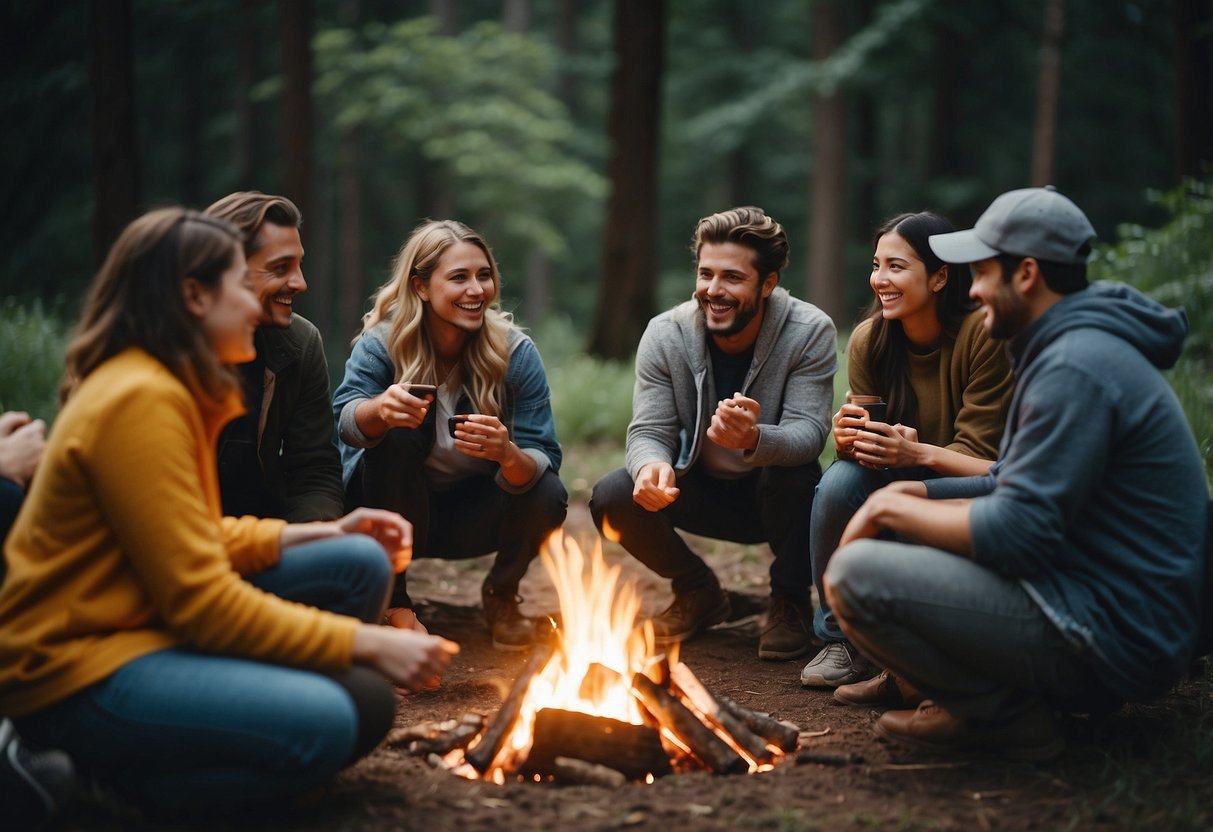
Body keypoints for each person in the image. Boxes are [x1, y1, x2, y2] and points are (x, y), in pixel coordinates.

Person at [0, 208, 459, 813]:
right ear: (194, 296)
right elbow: (202, 600)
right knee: (328, 720)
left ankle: (209, 731)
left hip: (144, 623)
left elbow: (193, 535)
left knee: (365, 689)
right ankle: (83, 792)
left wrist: (321, 533)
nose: (256, 305)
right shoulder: (138, 400)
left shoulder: (174, 385)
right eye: (240, 287)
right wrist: (365, 642)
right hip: (77, 667)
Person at [824, 186, 1208, 761]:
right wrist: (916, 487)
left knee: (857, 574)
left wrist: (885, 507)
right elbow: (1013, 477)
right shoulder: (1070, 346)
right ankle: (972, 700)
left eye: (981, 273)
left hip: (1114, 632)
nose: (972, 289)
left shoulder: (1074, 365)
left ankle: (1003, 718)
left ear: (1026, 274)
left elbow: (1017, 533)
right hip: (1105, 599)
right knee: (912, 516)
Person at [590, 206, 836, 661]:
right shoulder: (665, 334)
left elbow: (810, 433)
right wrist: (651, 465)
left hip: (776, 499)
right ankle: (698, 590)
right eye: (706, 274)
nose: (714, 291)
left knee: (798, 473)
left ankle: (789, 601)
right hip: (697, 490)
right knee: (613, 493)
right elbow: (649, 429)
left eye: (732, 278)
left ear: (768, 283)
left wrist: (755, 439)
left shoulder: (809, 331)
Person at [800, 212, 1013, 688]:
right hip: (902, 474)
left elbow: (989, 463)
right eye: (876, 266)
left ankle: (910, 636)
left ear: (940, 276)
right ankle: (843, 638)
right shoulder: (869, 339)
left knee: (890, 500)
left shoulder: (983, 335)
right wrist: (853, 440)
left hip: (976, 484)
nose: (880, 280)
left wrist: (916, 456)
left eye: (896, 267)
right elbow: (868, 451)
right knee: (838, 481)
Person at [334, 219, 567, 652]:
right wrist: (379, 410)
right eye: (459, 277)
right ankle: (394, 603)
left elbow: (544, 452)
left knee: (547, 489)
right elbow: (344, 422)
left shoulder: (514, 353)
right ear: (421, 286)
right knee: (396, 436)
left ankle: (501, 594)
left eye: (484, 275)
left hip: (473, 517)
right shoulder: (382, 343)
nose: (476, 290)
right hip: (390, 511)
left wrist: (507, 454)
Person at [204, 191, 345, 522]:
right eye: (280, 267)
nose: (300, 283)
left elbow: (313, 469)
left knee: (362, 558)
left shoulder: (300, 341)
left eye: (299, 265)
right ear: (225, 270)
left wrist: (318, 538)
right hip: (181, 546)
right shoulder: (162, 352)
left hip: (260, 533)